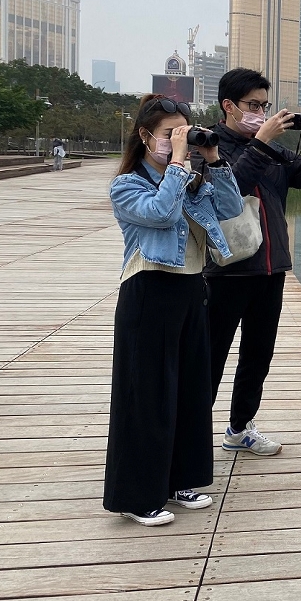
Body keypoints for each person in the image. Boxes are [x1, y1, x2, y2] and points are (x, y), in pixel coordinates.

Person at [105, 94, 244, 526]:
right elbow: (162, 214)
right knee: (146, 396)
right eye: (170, 134)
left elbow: (232, 210)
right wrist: (180, 164)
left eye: (183, 132)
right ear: (145, 136)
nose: (177, 141)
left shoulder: (190, 180)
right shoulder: (127, 185)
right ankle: (137, 495)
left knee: (189, 391)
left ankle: (182, 479)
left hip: (191, 291)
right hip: (149, 291)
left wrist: (214, 159)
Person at [199, 68, 301, 456]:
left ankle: (239, 428)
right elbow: (229, 194)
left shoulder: (273, 151)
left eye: (265, 105)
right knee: (209, 357)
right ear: (228, 106)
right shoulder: (207, 147)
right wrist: (261, 142)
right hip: (225, 272)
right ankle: (191, 440)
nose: (261, 113)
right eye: (253, 105)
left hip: (269, 269)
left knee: (257, 357)